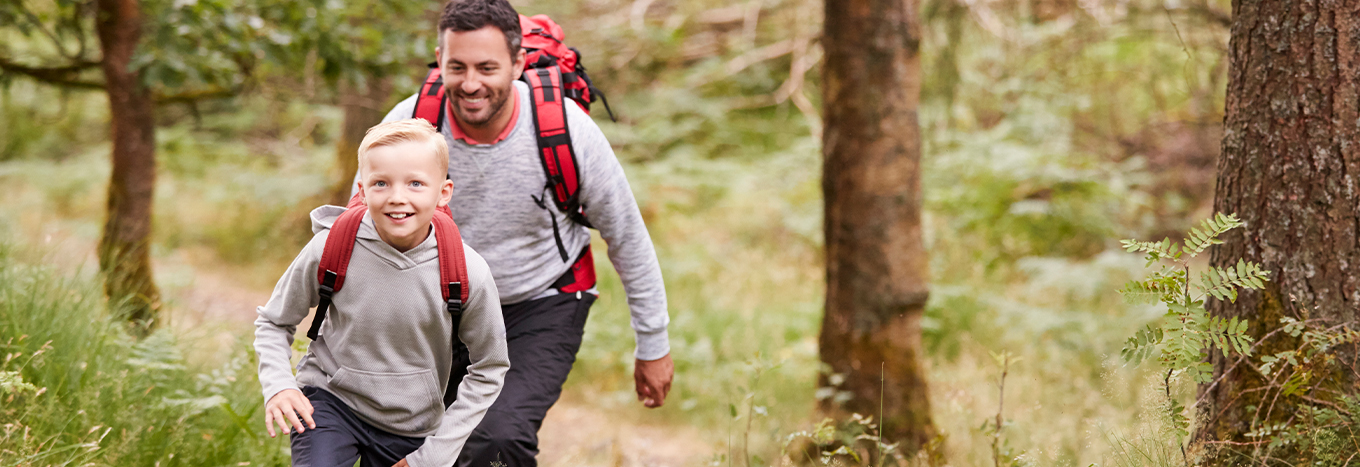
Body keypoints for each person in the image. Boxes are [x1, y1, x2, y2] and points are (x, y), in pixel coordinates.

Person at [360, 0, 674, 465]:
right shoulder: (408, 127)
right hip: (436, 308)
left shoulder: (567, 129)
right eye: (457, 67)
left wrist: (653, 345)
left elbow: (626, 235)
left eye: (487, 67)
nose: (470, 84)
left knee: (497, 439)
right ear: (439, 59)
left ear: (518, 63)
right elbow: (359, 231)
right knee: (400, 442)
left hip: (539, 302)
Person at [256, 119, 510, 467]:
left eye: (416, 183)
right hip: (330, 403)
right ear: (361, 190)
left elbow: (489, 367)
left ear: (444, 192)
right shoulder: (330, 248)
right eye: (381, 183)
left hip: (411, 425)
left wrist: (432, 458)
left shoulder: (468, 271)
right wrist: (279, 385)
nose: (397, 197)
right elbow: (273, 321)